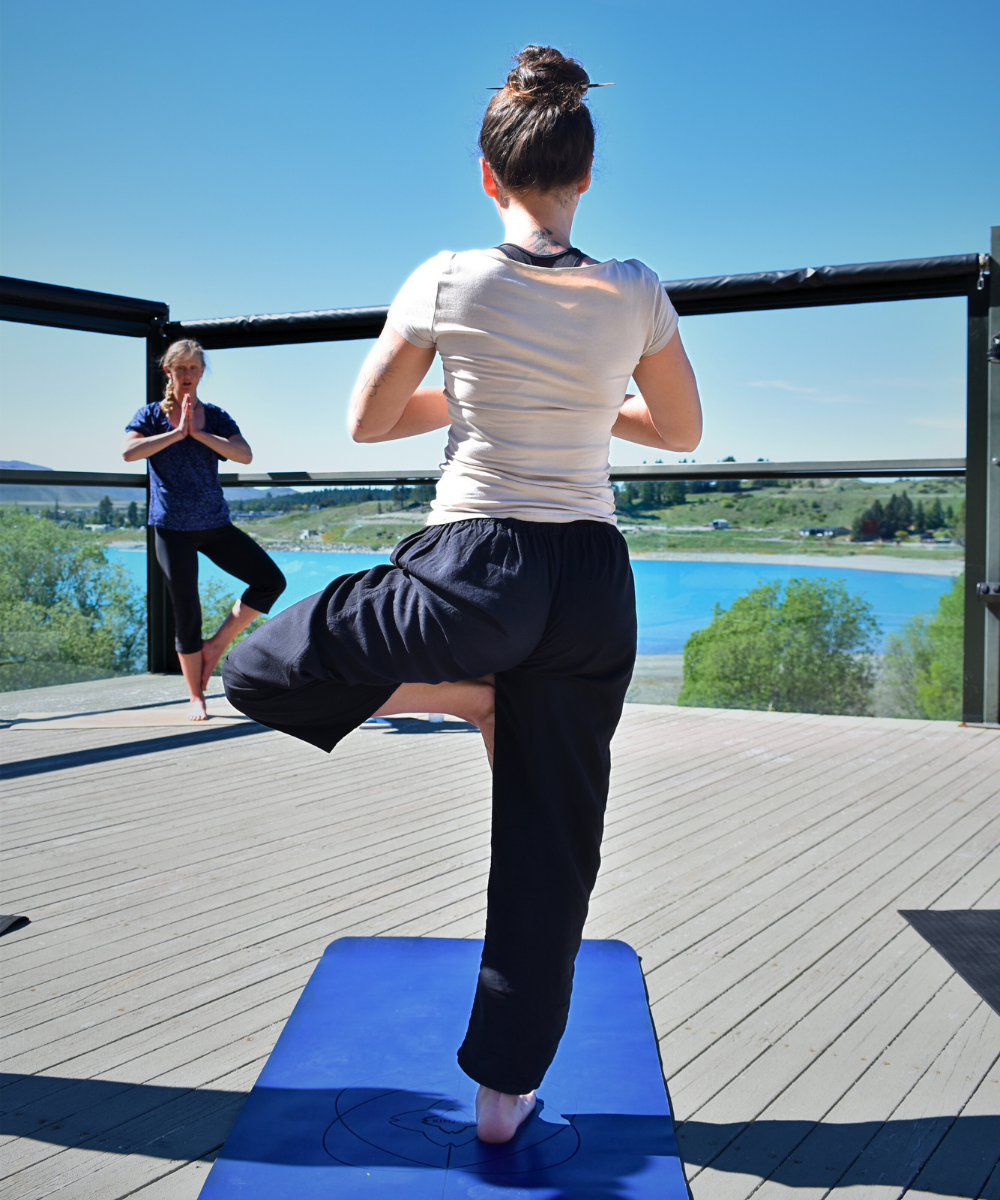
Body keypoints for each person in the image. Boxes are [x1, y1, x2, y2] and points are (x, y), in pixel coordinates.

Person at [223, 45, 701, 1143]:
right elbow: (677, 432)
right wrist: (585, 405)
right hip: (590, 581)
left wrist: (473, 389)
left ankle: (469, 698)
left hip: (474, 570)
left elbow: (370, 422)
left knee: (257, 663)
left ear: (489, 176)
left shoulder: (445, 276)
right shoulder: (634, 288)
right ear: (585, 174)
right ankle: (503, 1099)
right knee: (554, 848)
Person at [122, 339, 286, 720]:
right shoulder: (149, 416)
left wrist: (197, 435)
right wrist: (175, 434)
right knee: (186, 613)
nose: (187, 375)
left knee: (270, 581)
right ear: (169, 372)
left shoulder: (214, 416)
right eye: (180, 369)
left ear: (201, 373)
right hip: (171, 528)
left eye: (194, 369)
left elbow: (244, 454)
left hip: (214, 524)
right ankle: (196, 695)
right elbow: (129, 453)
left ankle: (215, 647)